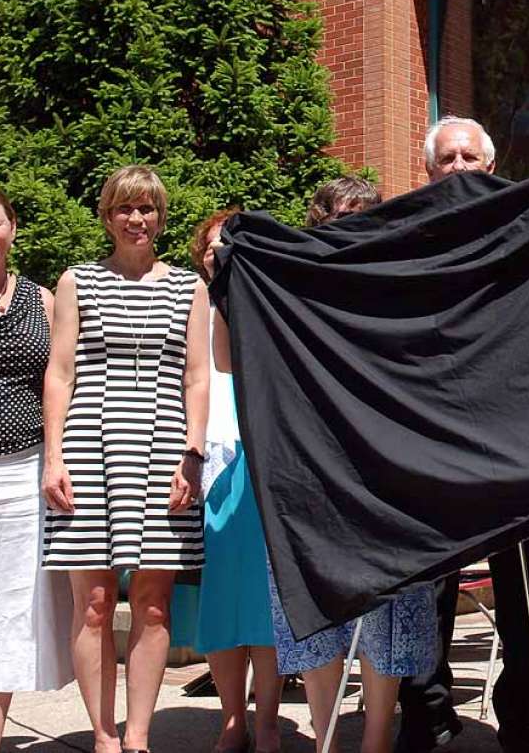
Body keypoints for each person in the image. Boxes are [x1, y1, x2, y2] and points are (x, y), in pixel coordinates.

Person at [222, 177, 435, 753]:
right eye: (342, 213)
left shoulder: (402, 275)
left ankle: (373, 746)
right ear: (318, 218)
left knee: (388, 614)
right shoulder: (288, 278)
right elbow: (225, 358)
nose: (353, 221)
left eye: (366, 213)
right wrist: (232, 275)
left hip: (388, 470)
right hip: (305, 468)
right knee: (314, 612)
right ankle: (325, 744)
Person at [397, 114, 529, 753]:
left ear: (490, 168)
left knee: (522, 597)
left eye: (469, 159)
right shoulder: (402, 236)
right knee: (426, 589)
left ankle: (520, 720)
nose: (459, 170)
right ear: (429, 172)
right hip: (429, 439)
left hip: (514, 444)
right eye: (447, 161)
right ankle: (428, 716)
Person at [41, 165, 210, 753]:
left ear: (161, 217)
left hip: (164, 449)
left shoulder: (188, 286)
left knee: (154, 604)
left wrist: (193, 453)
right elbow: (60, 373)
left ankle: (139, 737)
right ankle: (104, 737)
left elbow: (195, 379)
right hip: (88, 448)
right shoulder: (76, 281)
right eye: (125, 208)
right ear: (107, 215)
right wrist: (53, 456)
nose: (137, 219)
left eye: (148, 209)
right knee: (91, 605)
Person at [190, 209, 283, 753]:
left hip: (260, 461)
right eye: (210, 245)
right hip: (201, 463)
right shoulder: (186, 306)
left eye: (227, 244)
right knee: (222, 601)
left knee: (263, 600)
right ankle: (232, 719)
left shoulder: (263, 304)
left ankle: (268, 720)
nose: (218, 252)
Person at [0, 186, 74, 749]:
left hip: (24, 473)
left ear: (13, 229)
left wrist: (58, 458)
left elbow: (63, 381)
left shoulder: (41, 300)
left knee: (10, 607)